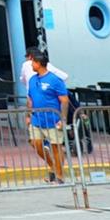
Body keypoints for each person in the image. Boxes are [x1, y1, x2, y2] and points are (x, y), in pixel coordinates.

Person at [25, 49, 70, 183]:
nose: (31, 65)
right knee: (35, 143)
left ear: (39, 63)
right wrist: (28, 115)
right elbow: (30, 99)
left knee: (56, 146)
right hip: (37, 118)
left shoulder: (55, 80)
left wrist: (63, 118)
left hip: (53, 118)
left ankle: (59, 175)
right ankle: (53, 167)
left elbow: (64, 101)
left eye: (33, 62)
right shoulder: (32, 80)